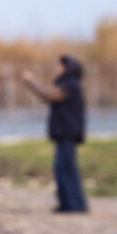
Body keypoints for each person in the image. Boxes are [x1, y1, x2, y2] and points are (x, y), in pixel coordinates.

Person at [22, 56, 88, 213]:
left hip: (67, 134)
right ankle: (68, 204)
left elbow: (50, 95)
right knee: (62, 169)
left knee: (66, 169)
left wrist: (32, 82)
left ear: (68, 68)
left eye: (59, 66)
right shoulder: (67, 84)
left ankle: (74, 205)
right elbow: (50, 95)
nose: (56, 68)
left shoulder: (70, 85)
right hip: (64, 134)